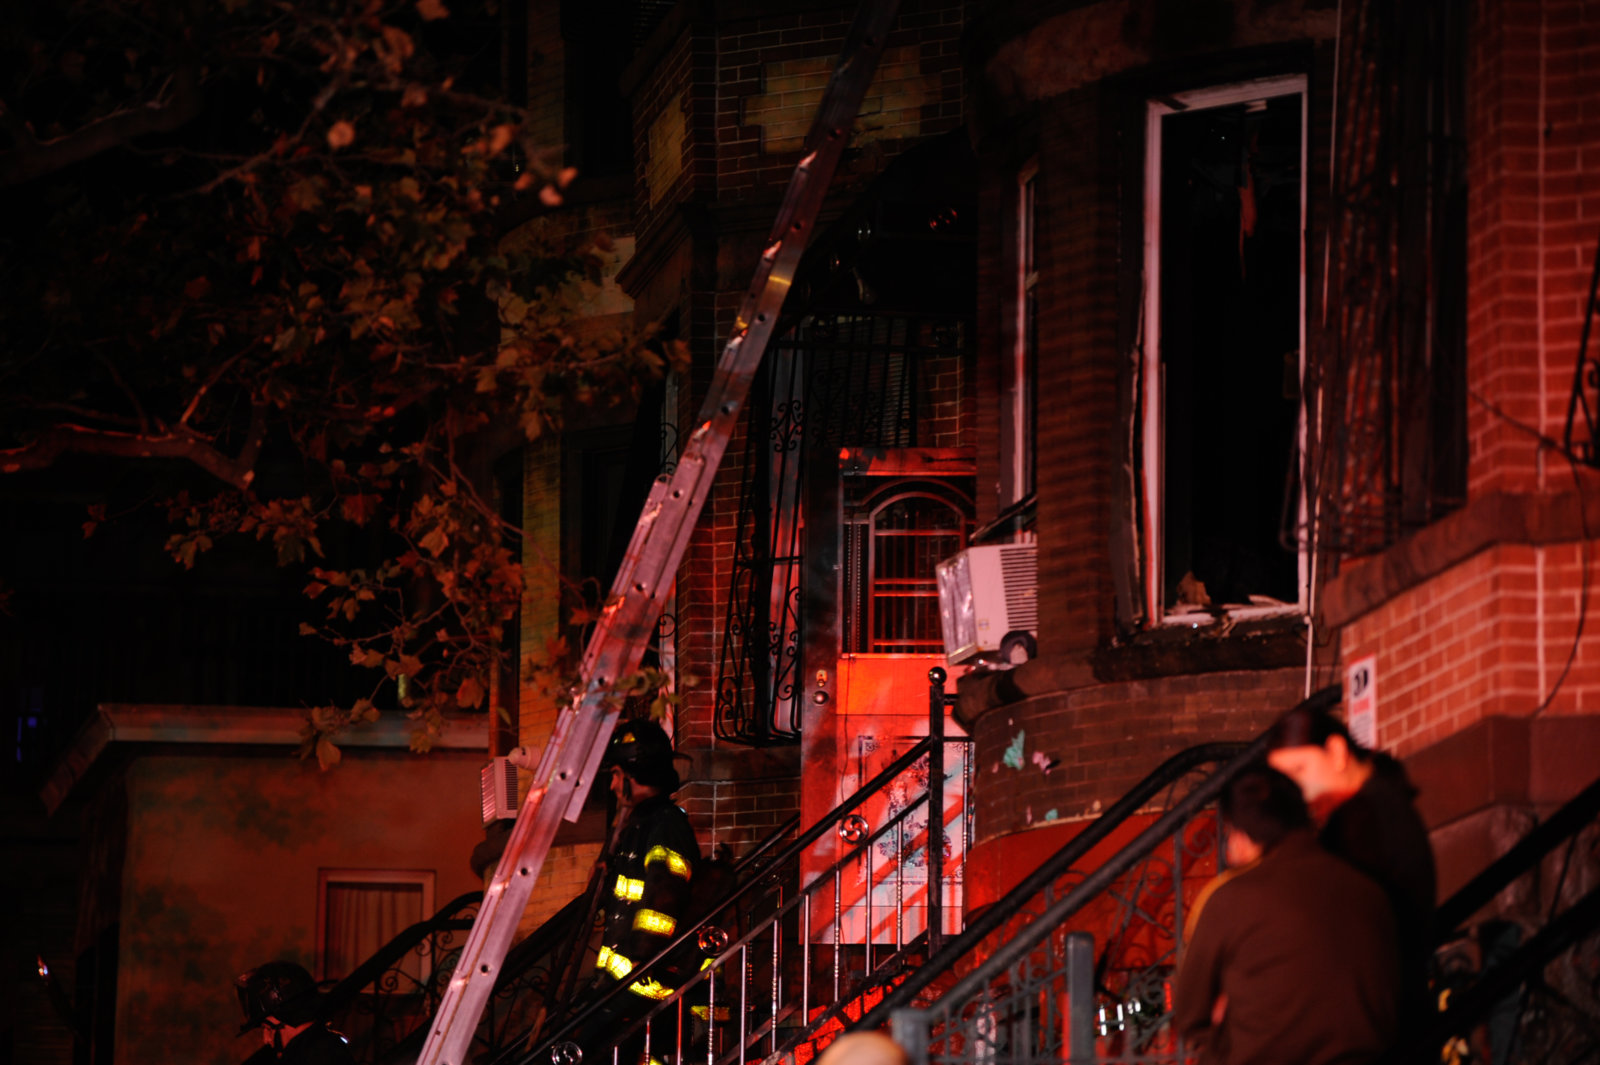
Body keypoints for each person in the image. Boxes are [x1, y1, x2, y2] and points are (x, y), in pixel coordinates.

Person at [1173, 766, 1401, 1065]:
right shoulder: (1369, 891)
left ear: (1242, 833)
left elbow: (1189, 1014)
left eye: (1229, 831)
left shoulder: (1231, 899)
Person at [1266, 702, 1437, 1022]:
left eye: (1299, 771)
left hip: (1374, 1011)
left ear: (1336, 752)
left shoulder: (1365, 816)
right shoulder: (1375, 804)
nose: (1295, 790)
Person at [565, 719, 702, 1065]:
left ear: (632, 774)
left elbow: (663, 898)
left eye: (614, 775)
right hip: (618, 980)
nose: (611, 786)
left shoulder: (665, 825)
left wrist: (642, 959)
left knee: (598, 1050)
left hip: (644, 980)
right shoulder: (639, 826)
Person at [236, 960, 354, 1065]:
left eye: (269, 1028)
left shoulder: (317, 1056)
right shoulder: (326, 1047)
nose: (266, 1039)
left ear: (290, 1016)